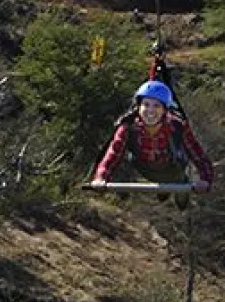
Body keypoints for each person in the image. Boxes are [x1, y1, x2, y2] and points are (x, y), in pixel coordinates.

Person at [90, 80, 213, 209]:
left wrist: (205, 178)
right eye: (146, 105)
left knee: (178, 194)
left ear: (165, 110)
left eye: (156, 106)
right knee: (156, 189)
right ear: (138, 107)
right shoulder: (128, 127)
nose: (150, 111)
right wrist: (100, 177)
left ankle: (178, 184)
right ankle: (162, 189)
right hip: (144, 169)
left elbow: (198, 154)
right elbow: (113, 154)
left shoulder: (177, 126)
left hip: (172, 168)